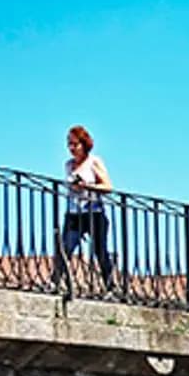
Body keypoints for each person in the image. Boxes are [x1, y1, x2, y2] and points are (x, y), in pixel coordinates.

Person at [51, 125, 115, 295]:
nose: (71, 148)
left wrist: (86, 186)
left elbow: (108, 186)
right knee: (65, 248)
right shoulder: (68, 165)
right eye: (69, 144)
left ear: (84, 144)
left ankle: (110, 287)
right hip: (74, 214)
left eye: (75, 144)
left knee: (100, 250)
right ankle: (54, 283)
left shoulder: (94, 162)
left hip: (94, 213)